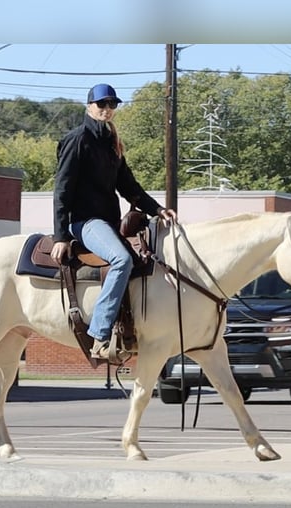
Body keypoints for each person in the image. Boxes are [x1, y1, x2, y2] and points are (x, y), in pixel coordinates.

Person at [50, 83, 177, 360]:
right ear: (89, 106)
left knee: (146, 257)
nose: (107, 109)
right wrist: (60, 236)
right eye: (102, 104)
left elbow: (128, 186)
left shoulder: (111, 143)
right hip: (84, 221)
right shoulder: (77, 139)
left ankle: (129, 328)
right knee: (122, 259)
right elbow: (62, 189)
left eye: (112, 105)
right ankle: (99, 333)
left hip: (107, 223)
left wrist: (157, 209)